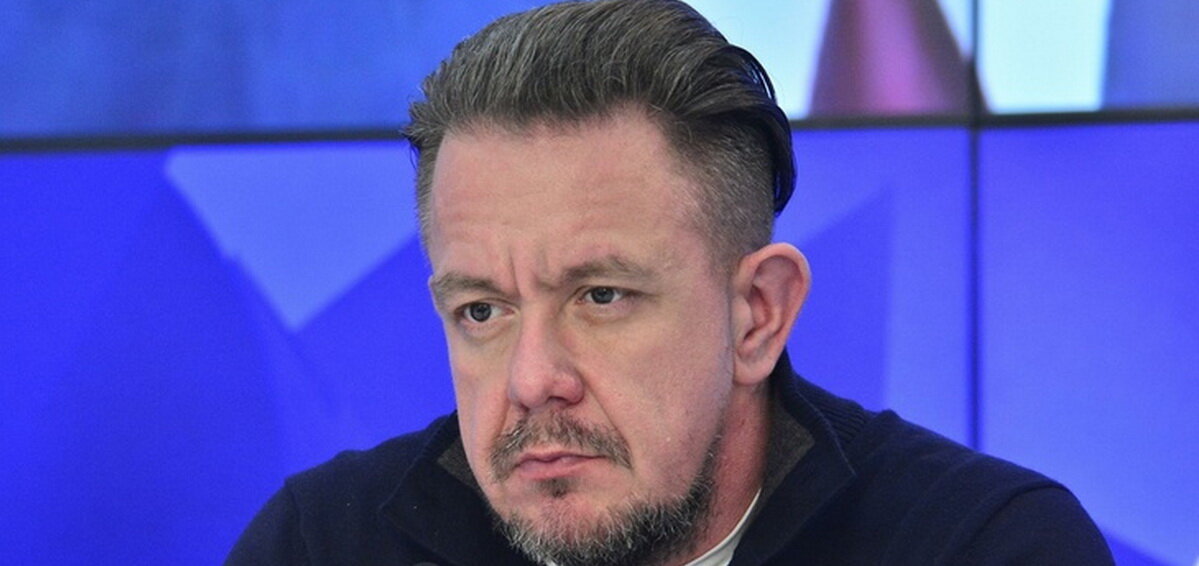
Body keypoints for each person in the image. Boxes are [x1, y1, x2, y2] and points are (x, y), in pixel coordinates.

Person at [227, 1, 1114, 564]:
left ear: (757, 314)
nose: (532, 379)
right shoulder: (323, 544)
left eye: (600, 296)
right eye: (482, 310)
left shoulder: (981, 546)